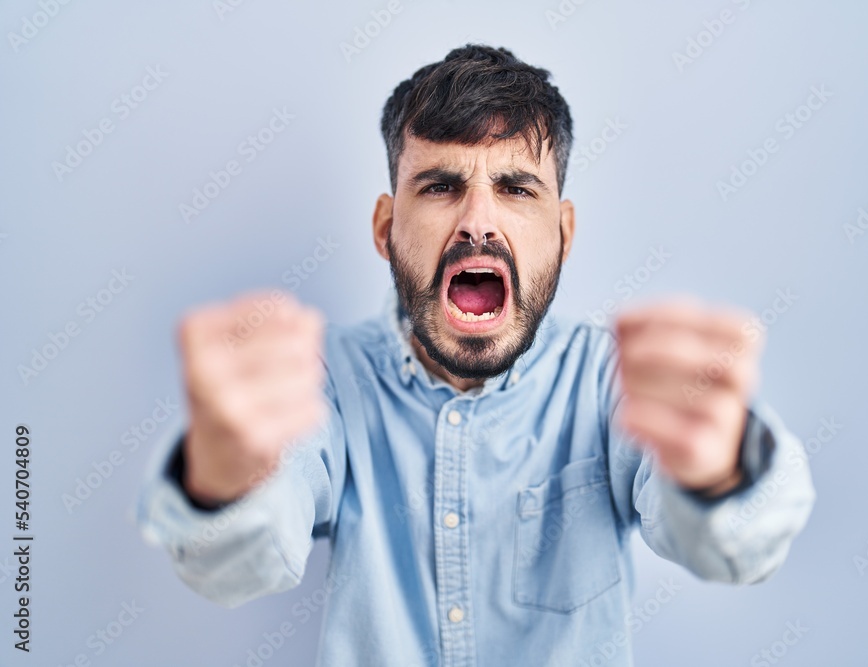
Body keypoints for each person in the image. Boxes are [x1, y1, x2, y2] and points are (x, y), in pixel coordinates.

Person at [134, 44, 816, 667]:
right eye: (439, 185)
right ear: (385, 226)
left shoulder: (612, 381)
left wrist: (722, 470)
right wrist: (222, 476)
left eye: (517, 188)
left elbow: (738, 549)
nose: (478, 221)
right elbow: (239, 562)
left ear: (563, 231)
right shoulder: (325, 381)